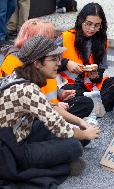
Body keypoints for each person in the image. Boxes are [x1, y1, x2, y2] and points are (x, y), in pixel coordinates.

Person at [0, 36, 100, 177]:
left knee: (73, 135)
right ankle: (60, 166)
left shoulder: (21, 75)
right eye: (53, 59)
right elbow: (59, 126)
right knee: (75, 146)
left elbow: (51, 110)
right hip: (10, 149)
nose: (59, 64)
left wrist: (80, 122)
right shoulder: (28, 90)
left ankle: (56, 158)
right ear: (37, 63)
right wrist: (84, 133)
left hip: (19, 132)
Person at [0, 18, 94, 119]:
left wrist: (60, 93)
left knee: (85, 102)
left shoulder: (37, 56)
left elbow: (46, 84)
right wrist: (53, 106)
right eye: (49, 38)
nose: (53, 42)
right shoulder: (14, 62)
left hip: (48, 107)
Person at [57, 2, 108, 96]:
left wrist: (95, 76)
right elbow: (45, 65)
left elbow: (101, 71)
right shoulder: (66, 37)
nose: (92, 29)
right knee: (81, 97)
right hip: (66, 84)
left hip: (90, 84)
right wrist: (66, 63)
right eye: (89, 24)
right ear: (81, 21)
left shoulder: (102, 40)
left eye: (97, 25)